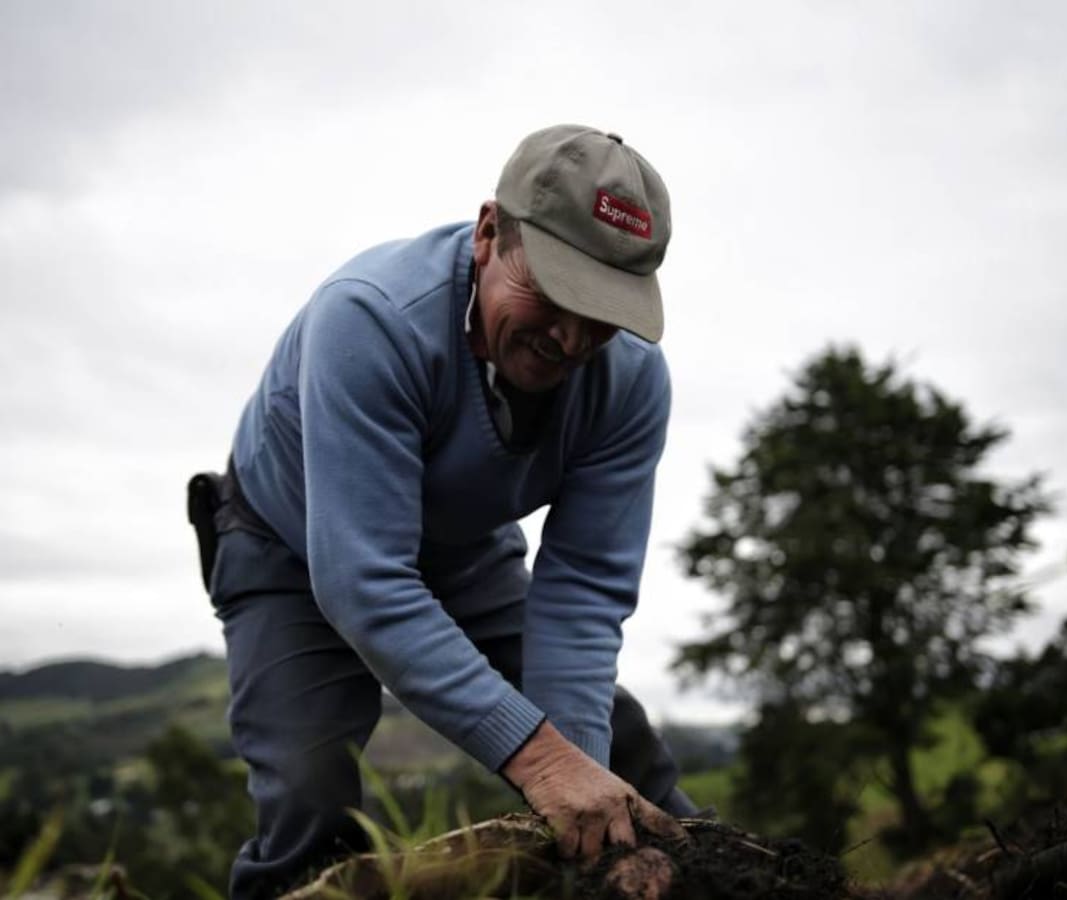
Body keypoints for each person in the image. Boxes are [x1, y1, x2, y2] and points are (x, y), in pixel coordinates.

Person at [188, 124, 697, 899]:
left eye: (601, 313)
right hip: (286, 547)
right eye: (556, 294)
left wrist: (582, 794)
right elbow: (365, 581)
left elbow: (585, 590)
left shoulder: (628, 383)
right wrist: (541, 762)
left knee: (624, 761)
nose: (569, 337)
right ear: (491, 232)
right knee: (309, 788)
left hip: (461, 551)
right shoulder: (371, 321)